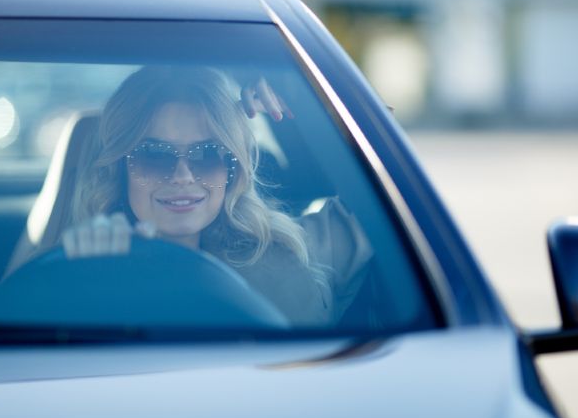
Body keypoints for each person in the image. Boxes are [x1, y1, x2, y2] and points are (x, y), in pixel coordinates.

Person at [60, 65, 371, 325]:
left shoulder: (297, 250)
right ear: (120, 169)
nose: (183, 176)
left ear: (231, 169)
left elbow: (385, 182)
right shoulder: (80, 270)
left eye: (207, 154)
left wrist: (308, 94)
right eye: (154, 154)